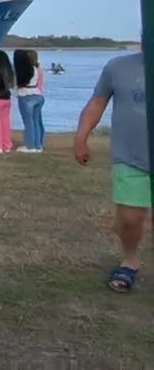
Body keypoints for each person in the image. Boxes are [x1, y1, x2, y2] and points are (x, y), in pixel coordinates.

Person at [73, 51, 149, 293]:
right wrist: (81, 136)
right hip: (130, 155)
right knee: (130, 218)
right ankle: (129, 260)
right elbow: (97, 103)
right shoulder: (117, 67)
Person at [14, 49, 46, 153]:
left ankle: (30, 146)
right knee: (35, 121)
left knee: (28, 122)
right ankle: (37, 145)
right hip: (37, 94)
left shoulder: (21, 70)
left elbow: (16, 84)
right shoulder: (35, 68)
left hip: (26, 95)